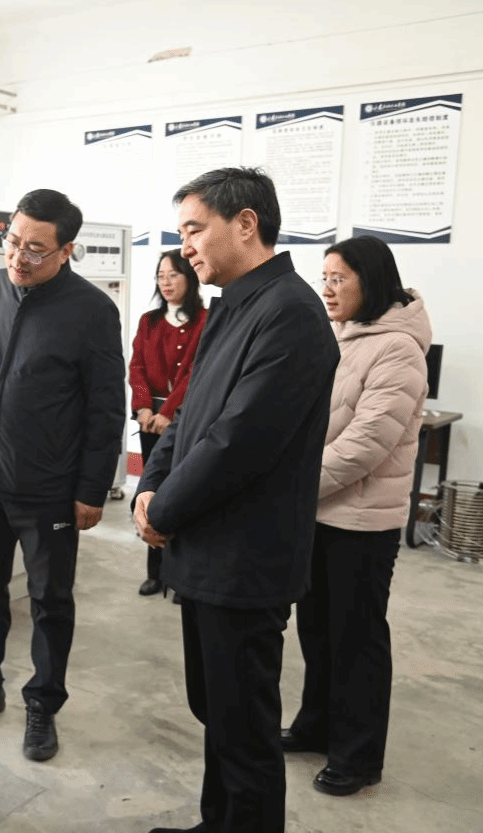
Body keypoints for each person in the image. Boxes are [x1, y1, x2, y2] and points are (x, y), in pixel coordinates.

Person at [132, 167, 338, 833]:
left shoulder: (291, 314)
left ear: (245, 223)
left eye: (195, 229)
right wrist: (150, 485)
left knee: (246, 730)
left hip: (245, 561)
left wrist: (162, 513)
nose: (185, 247)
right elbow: (189, 415)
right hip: (208, 553)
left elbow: (238, 441)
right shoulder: (235, 305)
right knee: (218, 712)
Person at [0, 188, 126, 762]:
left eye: (36, 249)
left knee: (49, 601)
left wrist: (91, 488)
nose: (19, 257)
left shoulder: (92, 311)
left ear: (67, 250)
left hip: (49, 491)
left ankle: (43, 703)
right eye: (13, 241)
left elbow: (106, 409)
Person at [281, 235, 430, 797]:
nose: (327, 288)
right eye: (324, 277)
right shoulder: (344, 335)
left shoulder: (399, 349)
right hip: (322, 514)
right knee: (318, 630)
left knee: (357, 639)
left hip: (363, 523)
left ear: (372, 280)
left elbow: (365, 444)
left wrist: (291, 486)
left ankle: (359, 755)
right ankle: (316, 726)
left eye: (339, 278)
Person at [128, 249, 208, 597]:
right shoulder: (149, 321)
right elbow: (137, 368)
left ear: (189, 278)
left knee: (184, 491)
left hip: (187, 418)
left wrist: (170, 412)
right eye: (161, 276)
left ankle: (181, 574)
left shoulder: (205, 320)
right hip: (149, 421)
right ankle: (156, 572)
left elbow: (196, 372)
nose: (166, 282)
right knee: (152, 488)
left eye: (173, 274)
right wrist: (144, 408)